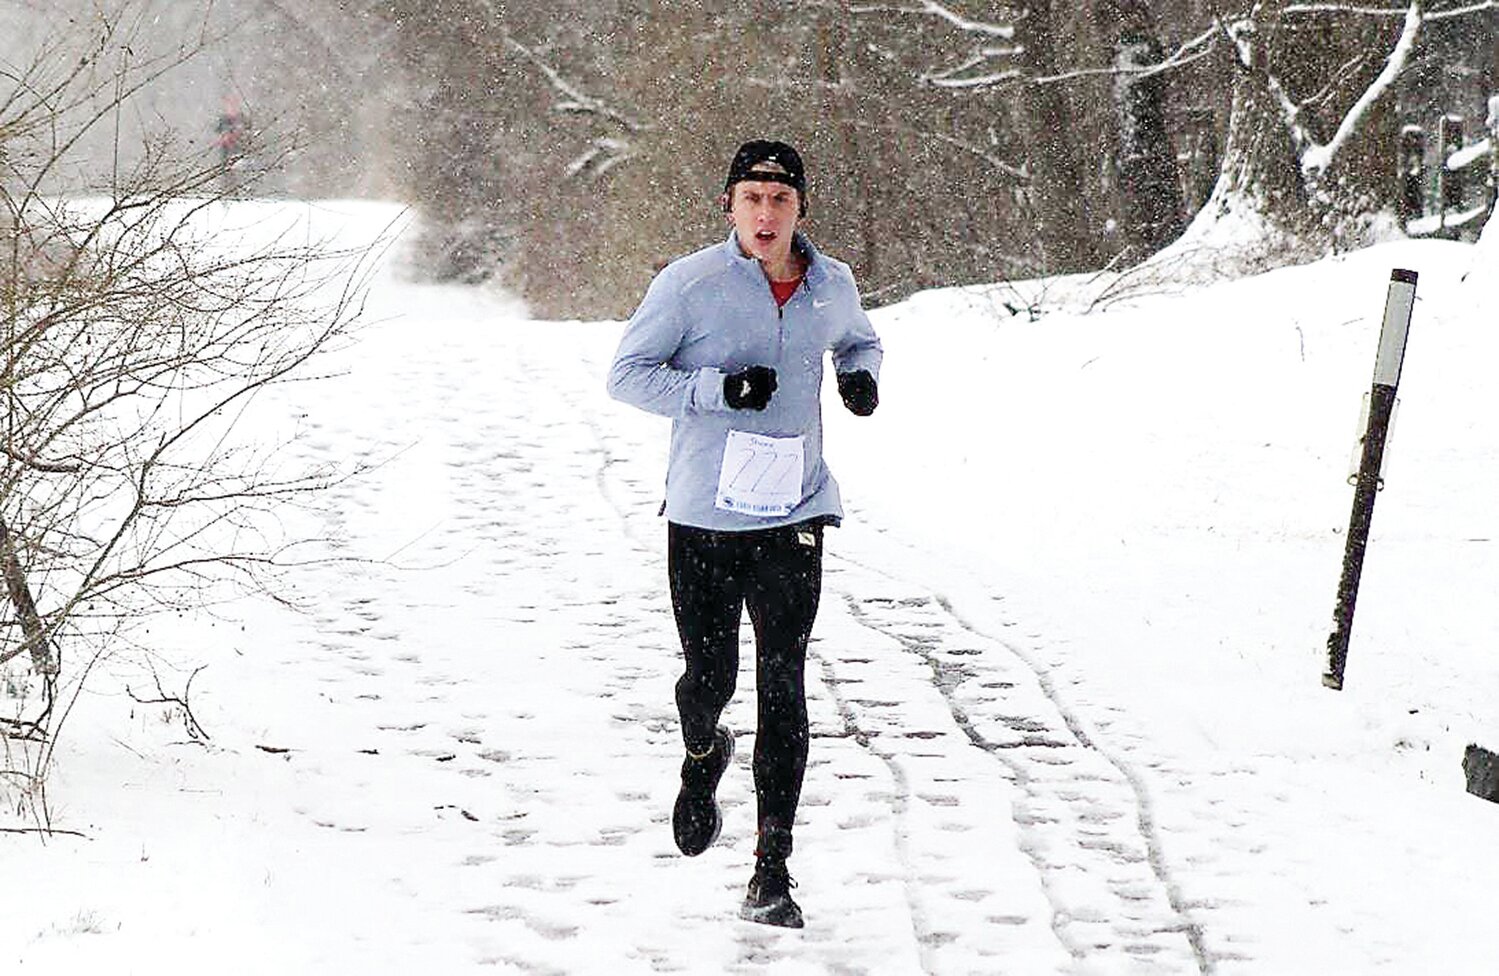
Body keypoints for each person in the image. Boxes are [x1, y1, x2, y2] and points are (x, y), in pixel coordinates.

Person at [606, 140, 882, 928]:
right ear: (729, 206)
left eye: (780, 200)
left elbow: (858, 337)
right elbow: (627, 374)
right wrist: (719, 389)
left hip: (794, 515)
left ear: (800, 209)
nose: (766, 214)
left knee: (784, 684)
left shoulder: (832, 285)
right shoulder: (689, 284)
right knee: (709, 680)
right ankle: (701, 754)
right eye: (752, 199)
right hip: (704, 519)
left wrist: (858, 376)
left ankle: (772, 868)